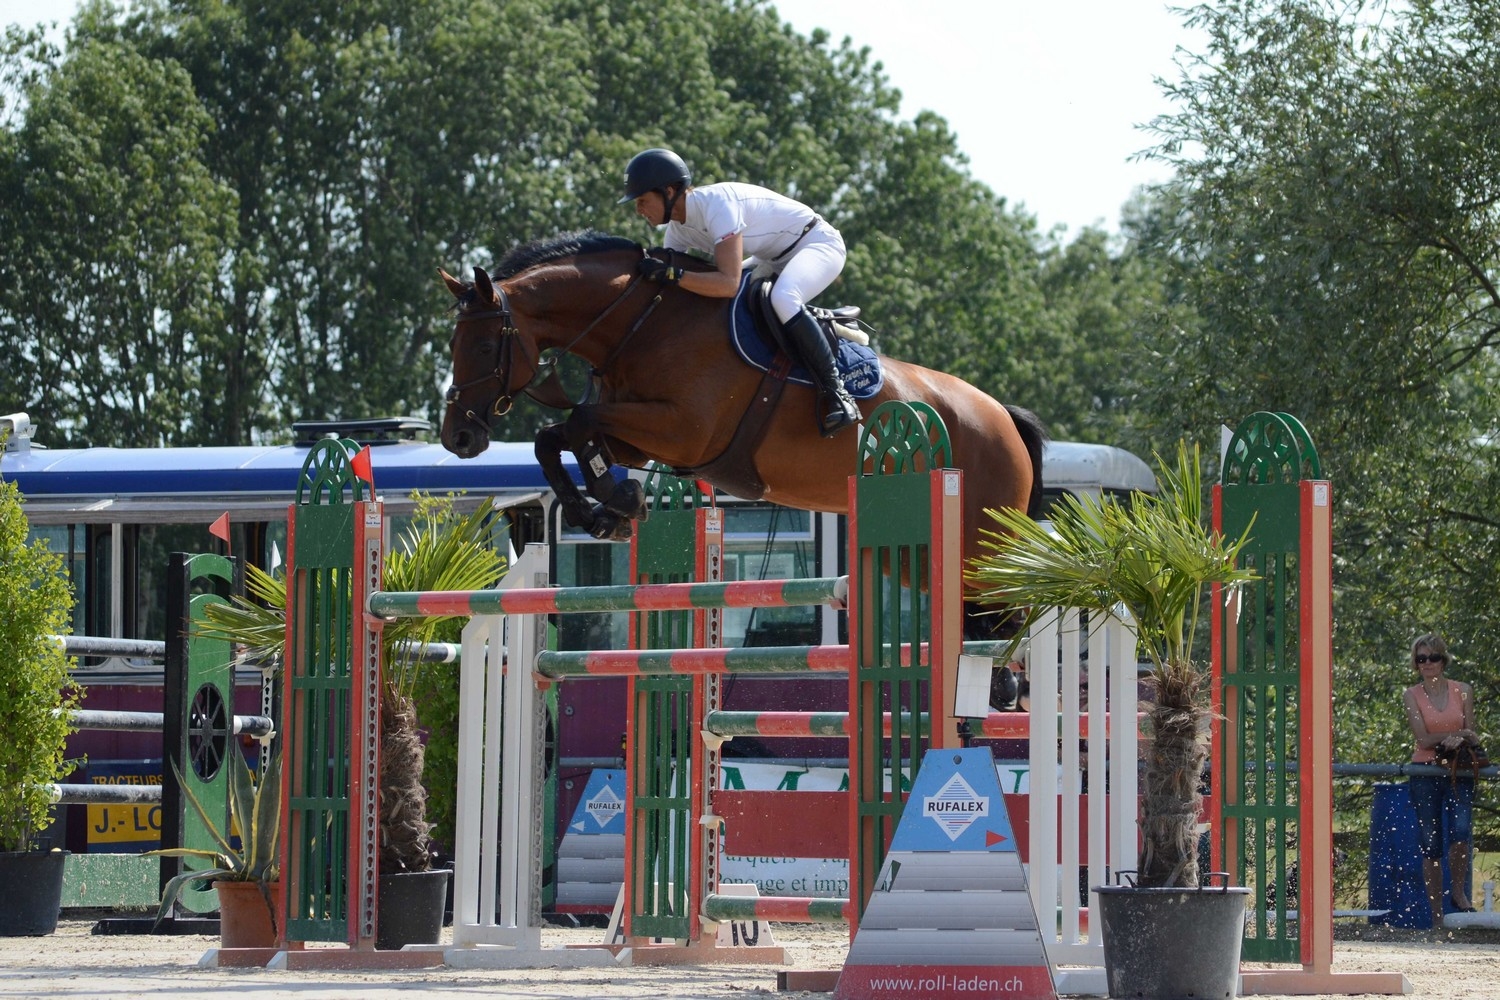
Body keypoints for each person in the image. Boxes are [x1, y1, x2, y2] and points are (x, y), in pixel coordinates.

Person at [619, 147, 861, 437]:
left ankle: (838, 394)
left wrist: (673, 274)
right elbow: (674, 291)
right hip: (771, 258)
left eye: (642, 200)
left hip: (817, 243)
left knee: (783, 298)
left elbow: (727, 283)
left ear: (668, 192)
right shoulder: (678, 230)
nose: (638, 210)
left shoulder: (717, 205)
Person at [1401, 632, 1481, 926]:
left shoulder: (1463, 691)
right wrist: (1457, 735)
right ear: (1416, 663)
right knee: (1430, 843)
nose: (1428, 663)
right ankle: (1436, 916)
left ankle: (1458, 892)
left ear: (1443, 660)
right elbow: (1422, 739)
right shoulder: (1411, 695)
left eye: (1433, 657)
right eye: (1421, 658)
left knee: (1461, 831)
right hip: (1424, 771)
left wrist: (1460, 738)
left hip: (1459, 769)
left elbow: (1472, 734)